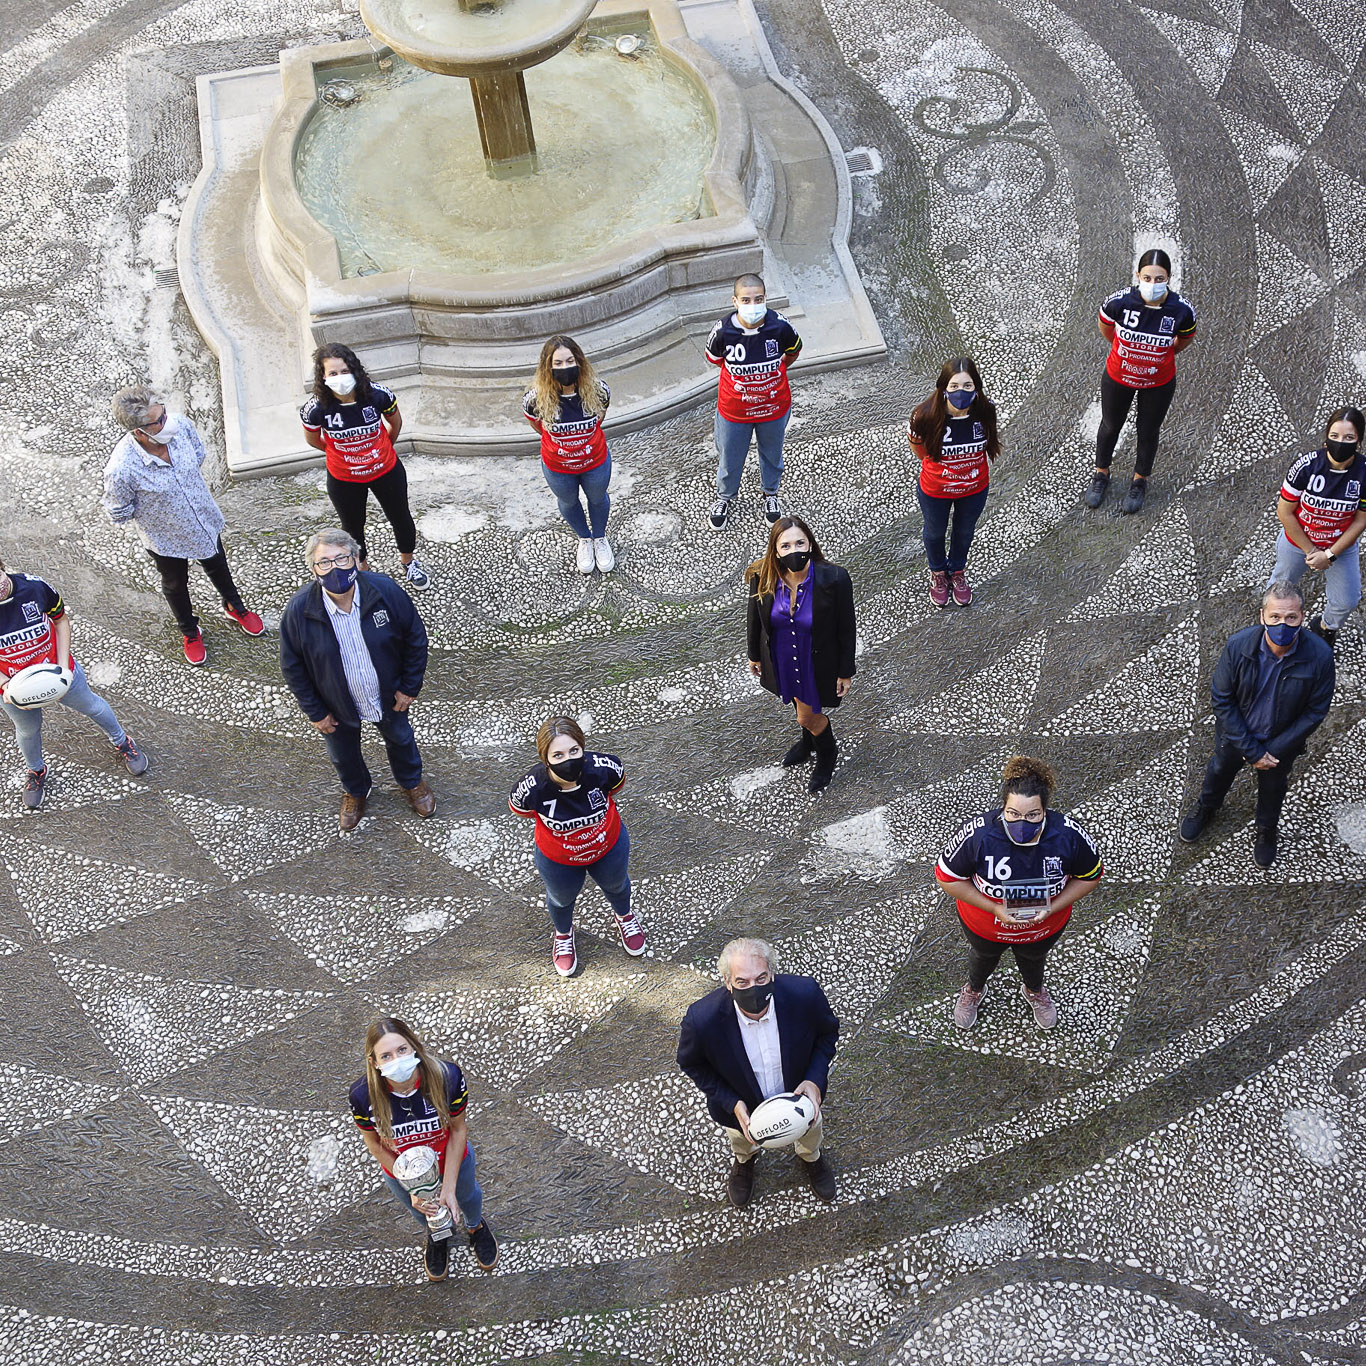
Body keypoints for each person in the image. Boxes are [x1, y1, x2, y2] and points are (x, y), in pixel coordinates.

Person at [279, 529, 435, 831]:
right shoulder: (299, 611)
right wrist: (316, 712)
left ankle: (411, 782)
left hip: (388, 696)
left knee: (401, 740)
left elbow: (415, 638)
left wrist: (409, 687)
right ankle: (355, 791)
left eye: (341, 557)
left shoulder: (384, 591)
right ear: (313, 569)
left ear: (355, 558)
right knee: (343, 754)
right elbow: (292, 666)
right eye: (324, 562)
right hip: (334, 703)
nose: (334, 567)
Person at [935, 756, 1104, 1031]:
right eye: (1013, 813)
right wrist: (994, 908)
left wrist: (1053, 906)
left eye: (1032, 815)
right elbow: (947, 878)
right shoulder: (979, 835)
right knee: (981, 957)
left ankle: (1035, 991)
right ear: (1003, 807)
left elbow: (1091, 876)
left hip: (1043, 928)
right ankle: (974, 990)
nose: (1021, 822)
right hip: (985, 926)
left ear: (1045, 811)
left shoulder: (1068, 836)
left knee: (1035, 960)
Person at [104, 385, 265, 666]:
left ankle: (234, 606)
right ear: (138, 431)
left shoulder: (180, 427)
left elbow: (198, 455)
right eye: (158, 421)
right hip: (166, 538)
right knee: (175, 583)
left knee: (218, 564)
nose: (167, 423)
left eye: (163, 413)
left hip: (203, 519)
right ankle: (189, 631)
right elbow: (118, 511)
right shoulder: (122, 468)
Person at [1179, 581, 1334, 869]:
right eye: (1275, 617)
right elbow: (1222, 699)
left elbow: (1316, 710)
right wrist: (1251, 750)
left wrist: (1272, 751)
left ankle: (1266, 830)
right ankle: (1206, 808)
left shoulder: (1320, 656)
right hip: (1236, 736)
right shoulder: (1238, 646)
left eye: (1291, 617)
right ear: (1262, 616)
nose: (1282, 624)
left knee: (1274, 788)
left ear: (1302, 617)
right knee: (1218, 771)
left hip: (1280, 744)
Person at [676, 937, 839, 1208]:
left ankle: (810, 1157)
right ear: (728, 983)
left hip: (800, 1098)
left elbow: (827, 1034)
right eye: (742, 982)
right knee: (741, 1139)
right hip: (743, 1109)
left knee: (811, 1131)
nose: (753, 989)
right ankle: (745, 1160)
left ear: (772, 973)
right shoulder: (702, 1019)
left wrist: (814, 1079)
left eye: (761, 978)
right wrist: (731, 1103)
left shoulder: (804, 995)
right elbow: (691, 1063)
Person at [348, 1016, 499, 1282]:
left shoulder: (447, 1077)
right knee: (420, 1211)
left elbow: (458, 1130)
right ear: (374, 1062)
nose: (396, 1060)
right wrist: (416, 1190)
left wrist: (448, 1186)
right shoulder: (362, 1095)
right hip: (401, 1172)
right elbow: (373, 1144)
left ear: (415, 1046)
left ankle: (475, 1227)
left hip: (451, 1158)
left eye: (402, 1050)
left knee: (468, 1197)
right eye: (386, 1055)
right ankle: (437, 1236)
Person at [0, 557, 147, 809]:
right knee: (26, 730)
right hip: (13, 684)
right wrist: (7, 687)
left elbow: (60, 620)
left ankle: (123, 741)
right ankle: (36, 771)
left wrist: (65, 668)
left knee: (93, 706)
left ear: (3, 568)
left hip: (56, 668)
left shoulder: (34, 588)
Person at [508, 716, 646, 976]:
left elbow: (615, 787)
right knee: (560, 900)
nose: (568, 760)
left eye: (574, 751)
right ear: (545, 758)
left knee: (617, 885)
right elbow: (523, 810)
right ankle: (563, 933)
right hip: (558, 858)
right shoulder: (531, 788)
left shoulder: (605, 768)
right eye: (557, 755)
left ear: (583, 748)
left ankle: (625, 916)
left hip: (608, 846)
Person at [300, 343, 432, 591]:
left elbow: (395, 423)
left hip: (386, 470)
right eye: (333, 373)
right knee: (352, 528)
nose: (340, 378)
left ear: (355, 369)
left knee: (401, 518)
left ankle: (408, 563)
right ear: (323, 377)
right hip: (344, 478)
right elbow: (314, 440)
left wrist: (383, 450)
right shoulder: (315, 409)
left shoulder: (378, 395)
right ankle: (363, 571)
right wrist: (340, 454)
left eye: (344, 370)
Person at [745, 516, 855, 794]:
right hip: (781, 658)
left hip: (814, 661)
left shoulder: (835, 578)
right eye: (785, 546)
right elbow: (754, 619)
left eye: (799, 543)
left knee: (807, 717)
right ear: (776, 550)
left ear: (810, 543)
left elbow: (846, 627)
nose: (794, 551)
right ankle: (808, 744)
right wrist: (754, 654)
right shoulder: (763, 576)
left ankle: (827, 753)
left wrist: (845, 671)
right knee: (798, 706)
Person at [1083, 248, 1197, 514]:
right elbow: (1106, 327)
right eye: (1147, 277)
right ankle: (1101, 474)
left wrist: (1160, 356)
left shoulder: (1182, 310)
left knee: (1148, 431)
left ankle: (1139, 480)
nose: (1153, 284)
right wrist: (1125, 350)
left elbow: (1185, 339)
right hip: (1119, 376)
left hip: (1158, 383)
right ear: (1138, 275)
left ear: (1169, 278)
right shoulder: (1119, 302)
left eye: (1159, 279)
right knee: (1110, 425)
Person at [705, 273, 802, 531]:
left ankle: (770, 494)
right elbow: (715, 359)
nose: (753, 305)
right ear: (735, 301)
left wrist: (771, 376)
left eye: (758, 299)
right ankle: (724, 497)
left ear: (766, 298)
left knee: (772, 453)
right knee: (729, 457)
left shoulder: (780, 326)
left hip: (773, 406)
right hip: (735, 410)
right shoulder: (723, 330)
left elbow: (792, 351)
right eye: (746, 300)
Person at [1268, 406, 1366, 652]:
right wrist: (1312, 551)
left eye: (1348, 438)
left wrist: (1330, 554)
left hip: (1340, 545)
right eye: (1334, 436)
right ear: (1326, 437)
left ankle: (1325, 627)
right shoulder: (1306, 466)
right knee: (1280, 589)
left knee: (1347, 598)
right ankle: (1275, 628)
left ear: (1359, 441)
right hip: (1298, 541)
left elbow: (1361, 519)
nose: (1340, 443)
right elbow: (1285, 511)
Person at [908, 356, 1001, 607]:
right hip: (936, 490)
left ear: (976, 387)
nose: (961, 392)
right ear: (943, 387)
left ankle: (957, 572)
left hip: (974, 489)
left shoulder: (985, 411)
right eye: (954, 386)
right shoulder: (923, 416)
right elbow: (921, 451)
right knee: (935, 532)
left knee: (964, 532)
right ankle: (938, 573)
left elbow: (989, 441)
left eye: (968, 386)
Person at [523, 336, 615, 575]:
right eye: (558, 363)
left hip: (595, 461)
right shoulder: (534, 400)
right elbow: (538, 427)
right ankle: (584, 538)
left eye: (570, 361)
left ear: (579, 361)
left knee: (598, 499)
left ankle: (600, 538)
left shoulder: (598, 390)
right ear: (548, 367)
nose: (565, 368)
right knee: (568, 502)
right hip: (558, 467)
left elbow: (599, 418)